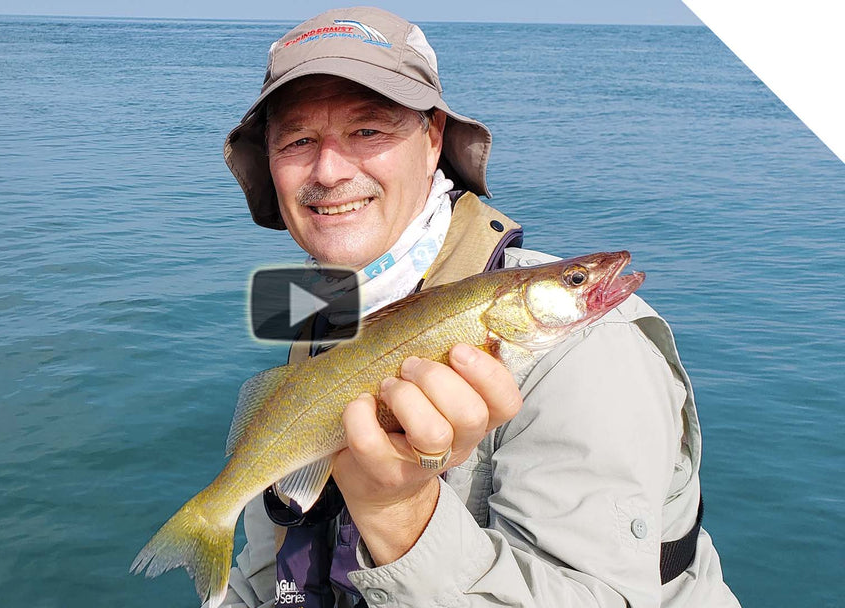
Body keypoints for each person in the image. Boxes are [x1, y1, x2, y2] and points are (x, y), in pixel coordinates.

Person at [219, 7, 740, 607]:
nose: (329, 170)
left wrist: (398, 512)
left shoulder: (593, 346)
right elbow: (273, 548)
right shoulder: (319, 304)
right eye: (298, 140)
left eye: (368, 131)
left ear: (434, 137)